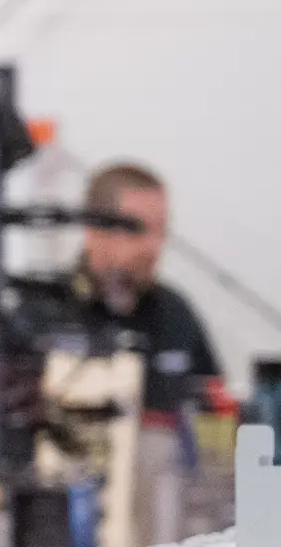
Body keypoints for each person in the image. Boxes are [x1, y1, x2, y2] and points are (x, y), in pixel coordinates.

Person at [59, 161, 221, 412]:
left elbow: (215, 414)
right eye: (136, 228)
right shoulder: (43, 311)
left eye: (161, 230)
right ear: (93, 230)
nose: (153, 247)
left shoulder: (175, 313)